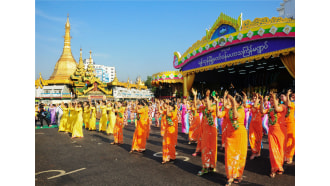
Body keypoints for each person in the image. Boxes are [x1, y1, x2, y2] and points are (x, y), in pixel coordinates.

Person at [217, 93, 247, 185]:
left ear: (239, 103)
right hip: (230, 136)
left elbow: (236, 116)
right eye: (230, 101)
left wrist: (233, 104)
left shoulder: (241, 109)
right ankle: (230, 177)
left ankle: (238, 175)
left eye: (233, 102)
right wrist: (217, 103)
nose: (230, 103)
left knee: (240, 156)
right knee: (229, 157)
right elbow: (219, 115)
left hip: (240, 135)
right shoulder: (228, 109)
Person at [260, 92, 287, 178]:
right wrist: (261, 101)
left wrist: (274, 96)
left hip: (281, 131)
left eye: (273, 99)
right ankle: (273, 168)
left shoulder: (282, 106)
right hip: (272, 131)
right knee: (273, 149)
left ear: (277, 100)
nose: (271, 101)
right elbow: (262, 111)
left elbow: (278, 109)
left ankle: (279, 166)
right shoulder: (270, 108)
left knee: (280, 149)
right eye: (270, 100)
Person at [197, 89, 218, 176]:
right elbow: (197, 108)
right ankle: (205, 167)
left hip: (212, 131)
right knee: (205, 148)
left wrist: (207, 96)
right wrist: (195, 97)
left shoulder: (214, 107)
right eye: (204, 101)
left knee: (212, 148)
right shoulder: (204, 108)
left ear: (211, 101)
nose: (205, 102)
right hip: (205, 131)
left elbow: (209, 108)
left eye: (206, 101)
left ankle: (212, 165)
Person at [243, 92, 263, 160]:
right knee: (252, 138)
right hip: (252, 123)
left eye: (256, 98)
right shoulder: (251, 105)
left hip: (259, 123)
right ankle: (254, 152)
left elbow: (260, 109)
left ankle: (258, 151)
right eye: (253, 98)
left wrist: (259, 99)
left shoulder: (261, 106)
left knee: (259, 137)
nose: (254, 99)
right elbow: (245, 105)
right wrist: (245, 97)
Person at [284, 89, 295, 164]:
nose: (293, 95)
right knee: (287, 140)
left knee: (291, 141)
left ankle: (290, 157)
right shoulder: (290, 103)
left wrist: (287, 95)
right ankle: (287, 156)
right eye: (293, 94)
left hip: (292, 123)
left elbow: (288, 104)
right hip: (288, 123)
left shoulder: (292, 104)